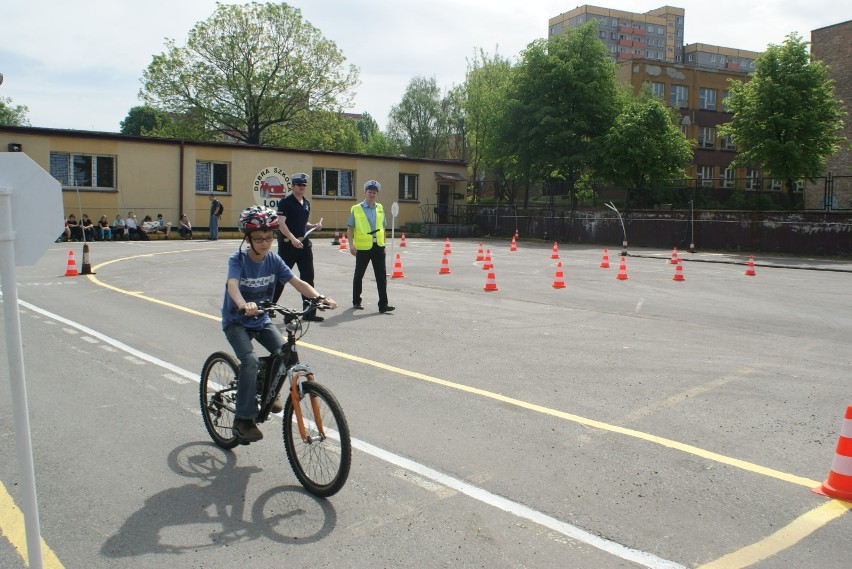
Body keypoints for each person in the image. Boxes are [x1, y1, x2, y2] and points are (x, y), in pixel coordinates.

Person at [222, 205, 337, 442]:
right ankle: (243, 420)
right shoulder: (239, 260)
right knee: (250, 360)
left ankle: (267, 388)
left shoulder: (273, 259)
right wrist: (244, 304)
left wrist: (318, 298)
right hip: (237, 321)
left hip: (261, 319)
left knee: (284, 351)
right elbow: (232, 285)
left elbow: (297, 281)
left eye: (269, 238)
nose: (265, 243)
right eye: (258, 239)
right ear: (248, 238)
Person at [273, 173, 324, 321]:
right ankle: (269, 307)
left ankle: (309, 312)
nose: (302, 188)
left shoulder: (306, 202)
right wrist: (293, 239)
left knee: (308, 277)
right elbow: (281, 224)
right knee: (281, 277)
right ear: (293, 186)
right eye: (299, 185)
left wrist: (314, 225)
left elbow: (303, 223)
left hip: (304, 245)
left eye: (304, 186)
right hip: (289, 245)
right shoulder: (285, 202)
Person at [347, 179, 395, 313]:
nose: (372, 194)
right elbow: (350, 227)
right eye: (370, 192)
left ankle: (383, 305)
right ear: (365, 192)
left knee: (381, 276)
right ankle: (356, 301)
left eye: (374, 192)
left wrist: (384, 245)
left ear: (377, 194)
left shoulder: (380, 208)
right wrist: (351, 245)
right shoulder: (356, 208)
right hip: (363, 248)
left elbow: (383, 228)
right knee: (359, 275)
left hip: (378, 246)